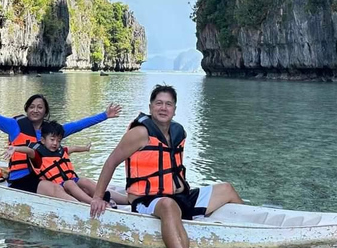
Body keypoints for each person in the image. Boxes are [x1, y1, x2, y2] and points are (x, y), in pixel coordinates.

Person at [89, 85, 243, 248]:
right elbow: (111, 162)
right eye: (159, 103)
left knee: (227, 189)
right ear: (150, 107)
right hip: (147, 201)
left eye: (168, 104)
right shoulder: (140, 133)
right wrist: (98, 197)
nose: (163, 108)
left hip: (180, 196)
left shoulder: (178, 131)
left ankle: (248, 234)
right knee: (168, 205)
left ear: (174, 109)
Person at [0, 87, 122, 201]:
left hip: (46, 176)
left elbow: (78, 125)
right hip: (22, 179)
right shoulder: (14, 126)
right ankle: (89, 211)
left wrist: (104, 116)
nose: (35, 110)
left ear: (45, 112)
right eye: (32, 107)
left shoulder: (51, 132)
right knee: (58, 190)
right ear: (27, 109)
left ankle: (118, 200)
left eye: (40, 107)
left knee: (80, 184)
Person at [6, 121, 130, 205]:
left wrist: (85, 148)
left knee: (85, 181)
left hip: (71, 181)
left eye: (58, 141)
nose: (55, 143)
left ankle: (122, 200)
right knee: (71, 183)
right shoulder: (38, 155)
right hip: (60, 185)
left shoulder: (61, 150)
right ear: (43, 140)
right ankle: (91, 202)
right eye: (52, 140)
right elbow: (29, 151)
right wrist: (16, 148)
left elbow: (74, 148)